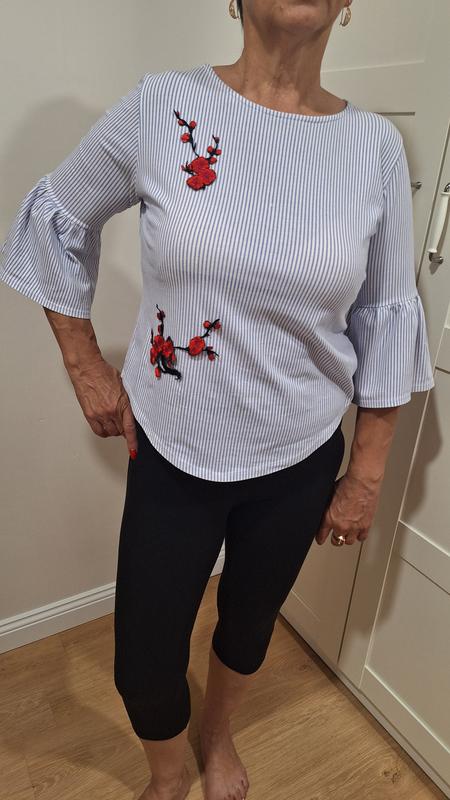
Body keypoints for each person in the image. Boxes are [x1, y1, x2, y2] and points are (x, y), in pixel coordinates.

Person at [0, 1, 435, 799]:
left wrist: (367, 474)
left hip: (302, 454)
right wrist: (85, 363)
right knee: (143, 657)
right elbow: (56, 218)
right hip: (174, 448)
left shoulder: (373, 146)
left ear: (348, 4)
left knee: (250, 618)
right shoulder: (163, 106)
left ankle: (219, 732)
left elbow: (384, 312)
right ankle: (168, 773)